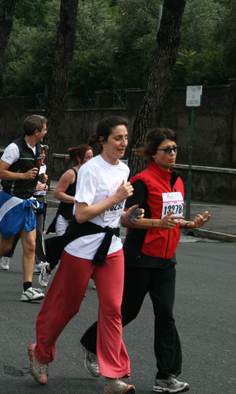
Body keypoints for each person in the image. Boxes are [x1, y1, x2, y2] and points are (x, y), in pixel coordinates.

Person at [79, 128, 211, 394]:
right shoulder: (142, 181)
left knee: (166, 317)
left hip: (166, 262)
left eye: (175, 149)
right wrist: (156, 223)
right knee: (126, 312)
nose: (173, 153)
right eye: (167, 149)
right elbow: (127, 219)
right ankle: (91, 343)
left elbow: (171, 219)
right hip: (139, 259)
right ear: (154, 153)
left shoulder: (177, 180)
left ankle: (165, 376)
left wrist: (188, 223)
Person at [28, 116, 137, 394]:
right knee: (66, 307)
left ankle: (114, 377)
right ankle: (41, 353)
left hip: (112, 249)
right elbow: (82, 213)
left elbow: (112, 215)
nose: (123, 143)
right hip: (82, 249)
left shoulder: (123, 168)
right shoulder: (90, 170)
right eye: (117, 138)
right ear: (103, 140)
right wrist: (115, 199)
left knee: (113, 310)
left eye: (125, 138)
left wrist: (127, 215)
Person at [0, 114, 47, 302]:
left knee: (31, 245)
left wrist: (39, 178)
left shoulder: (38, 148)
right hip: (11, 202)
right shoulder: (14, 148)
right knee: (6, 245)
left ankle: (27, 289)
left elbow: (31, 172)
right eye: (45, 129)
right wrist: (23, 176)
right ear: (36, 131)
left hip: (28, 201)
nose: (46, 132)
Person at [39, 143, 93, 286]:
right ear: (79, 158)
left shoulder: (92, 175)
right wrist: (76, 200)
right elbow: (57, 193)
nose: (91, 160)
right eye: (88, 157)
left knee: (79, 248)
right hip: (66, 216)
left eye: (92, 157)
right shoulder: (71, 174)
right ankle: (50, 270)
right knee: (64, 248)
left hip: (81, 218)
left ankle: (70, 279)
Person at [0, 145, 49, 271]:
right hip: (25, 201)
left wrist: (44, 186)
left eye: (44, 152)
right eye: (40, 152)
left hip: (39, 202)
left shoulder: (44, 167)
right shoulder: (28, 165)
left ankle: (39, 262)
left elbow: (41, 183)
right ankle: (6, 254)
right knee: (16, 232)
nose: (42, 154)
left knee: (38, 232)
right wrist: (35, 188)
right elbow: (23, 184)